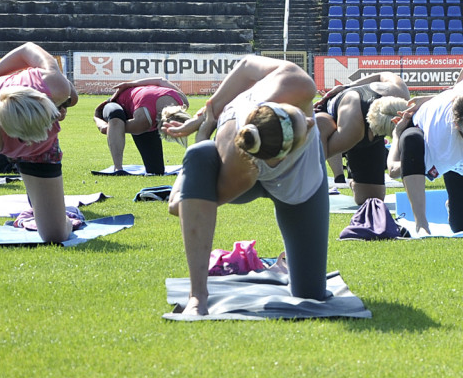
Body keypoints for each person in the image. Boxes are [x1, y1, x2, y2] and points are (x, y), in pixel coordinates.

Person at [163, 56, 328, 316]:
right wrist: (201, 137)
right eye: (304, 128)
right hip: (241, 167)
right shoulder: (238, 170)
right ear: (281, 156)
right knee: (199, 155)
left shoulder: (295, 83)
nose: (311, 121)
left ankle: (291, 266)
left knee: (311, 295)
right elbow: (176, 207)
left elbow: (247, 64)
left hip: (297, 184)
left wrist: (210, 108)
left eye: (301, 116)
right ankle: (198, 295)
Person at [387, 62, 463, 235]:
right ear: (458, 126)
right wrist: (397, 134)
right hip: (421, 128)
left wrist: (448, 94)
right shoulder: (441, 145)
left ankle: (451, 205)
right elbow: (394, 170)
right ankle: (421, 222)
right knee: (411, 140)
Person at [0, 42, 79, 243]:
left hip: (43, 149)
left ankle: (66, 213)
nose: (29, 143)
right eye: (23, 138)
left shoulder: (56, 85)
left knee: (54, 235)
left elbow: (26, 49)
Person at [314, 72, 409, 204]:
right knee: (321, 125)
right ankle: (343, 175)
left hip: (364, 120)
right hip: (334, 120)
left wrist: (348, 85)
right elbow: (320, 156)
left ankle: (357, 182)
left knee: (371, 200)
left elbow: (382, 74)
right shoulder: (350, 132)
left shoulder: (400, 92)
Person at [92, 77, 191, 175]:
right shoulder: (143, 121)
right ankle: (118, 168)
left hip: (141, 106)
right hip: (117, 103)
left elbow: (161, 80)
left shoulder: (182, 101)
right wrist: (97, 117)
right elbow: (108, 129)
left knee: (156, 171)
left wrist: (130, 84)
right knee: (116, 119)